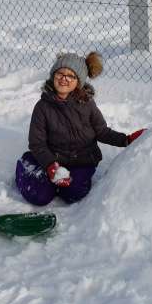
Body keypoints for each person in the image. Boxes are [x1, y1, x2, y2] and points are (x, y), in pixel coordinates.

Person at [15, 52, 144, 206]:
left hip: (83, 160)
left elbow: (101, 131)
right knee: (40, 196)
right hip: (53, 159)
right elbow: (37, 143)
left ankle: (59, 182)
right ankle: (27, 165)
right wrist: (50, 165)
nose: (64, 78)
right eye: (60, 73)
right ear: (53, 76)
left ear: (79, 82)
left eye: (71, 76)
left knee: (73, 194)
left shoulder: (87, 104)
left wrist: (126, 140)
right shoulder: (43, 107)